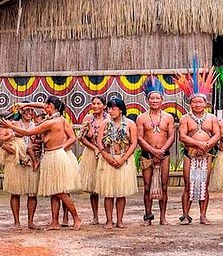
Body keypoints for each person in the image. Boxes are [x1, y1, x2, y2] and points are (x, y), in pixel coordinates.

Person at [0, 96, 82, 230]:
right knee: (54, 191)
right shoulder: (60, 118)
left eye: (46, 106)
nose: (44, 107)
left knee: (60, 190)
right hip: (51, 155)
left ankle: (76, 217)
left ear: (52, 106)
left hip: (55, 155)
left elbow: (28, 132)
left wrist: (9, 125)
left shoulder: (52, 122)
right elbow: (40, 105)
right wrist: (23, 103)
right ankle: (55, 222)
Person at [175, 58, 220, 225]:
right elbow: (183, 137)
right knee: (188, 184)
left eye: (200, 101)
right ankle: (185, 215)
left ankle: (203, 215)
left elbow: (217, 134)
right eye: (194, 101)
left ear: (205, 103)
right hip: (190, 155)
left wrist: (207, 145)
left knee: (204, 185)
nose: (197, 104)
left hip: (206, 155)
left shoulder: (212, 118)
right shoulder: (185, 118)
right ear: (190, 103)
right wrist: (199, 144)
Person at [137, 76, 175, 225]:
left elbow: (171, 136)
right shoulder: (141, 118)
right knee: (147, 186)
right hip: (147, 156)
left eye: (157, 98)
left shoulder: (168, 117)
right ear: (147, 100)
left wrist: (162, 150)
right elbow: (139, 138)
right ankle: (148, 216)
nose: (154, 101)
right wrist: (153, 151)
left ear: (162, 100)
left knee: (164, 186)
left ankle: (162, 217)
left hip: (164, 156)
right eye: (151, 98)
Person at [95, 97, 138, 229]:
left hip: (124, 159)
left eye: (113, 109)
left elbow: (134, 143)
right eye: (109, 109)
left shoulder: (130, 124)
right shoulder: (105, 123)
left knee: (121, 192)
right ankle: (109, 220)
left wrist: (123, 158)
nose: (111, 111)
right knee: (109, 193)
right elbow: (99, 141)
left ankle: (120, 220)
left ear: (120, 110)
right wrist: (106, 156)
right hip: (108, 159)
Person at [0, 107, 39, 230]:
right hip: (15, 159)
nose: (28, 113)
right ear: (21, 112)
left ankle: (31, 221)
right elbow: (3, 139)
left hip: (31, 159)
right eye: (26, 110)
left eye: (30, 111)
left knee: (32, 193)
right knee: (15, 192)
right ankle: (16, 222)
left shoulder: (36, 125)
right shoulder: (13, 123)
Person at [78, 96, 108, 225]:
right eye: (93, 103)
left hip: (105, 153)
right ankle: (95, 216)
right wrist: (94, 147)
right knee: (93, 187)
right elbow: (82, 137)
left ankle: (109, 217)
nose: (95, 106)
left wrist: (101, 149)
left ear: (104, 106)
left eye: (98, 103)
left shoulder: (109, 119)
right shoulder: (88, 119)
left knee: (107, 185)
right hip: (91, 153)